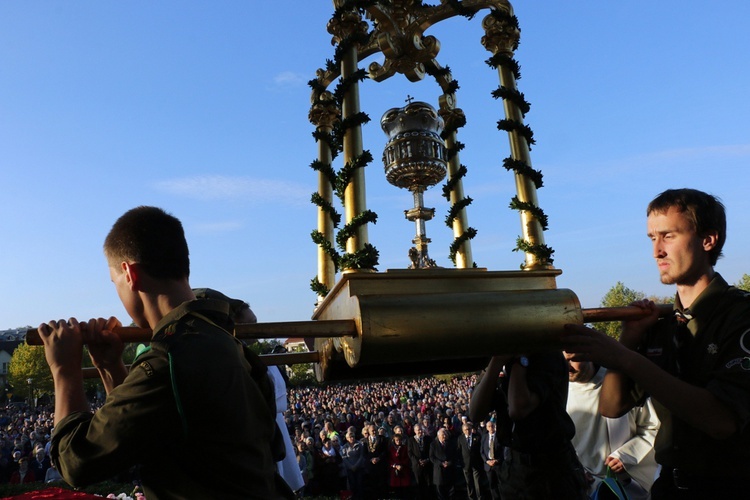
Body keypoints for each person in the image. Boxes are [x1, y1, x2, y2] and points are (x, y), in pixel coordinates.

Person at [37, 206, 293, 499]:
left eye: (115, 283)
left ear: (129, 274)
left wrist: (64, 371)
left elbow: (76, 462)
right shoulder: (219, 338)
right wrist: (110, 366)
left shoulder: (168, 358)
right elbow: (150, 426)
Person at [563, 188, 750, 498]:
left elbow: (721, 421)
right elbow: (612, 407)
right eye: (652, 238)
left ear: (708, 240)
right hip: (668, 487)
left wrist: (625, 358)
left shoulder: (740, 316)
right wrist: (630, 338)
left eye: (669, 236)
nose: (656, 252)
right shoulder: (661, 325)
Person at [470, 353, 588, 499]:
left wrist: (521, 360)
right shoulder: (501, 359)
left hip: (551, 468)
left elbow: (518, 408)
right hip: (514, 464)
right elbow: (475, 413)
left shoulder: (547, 356)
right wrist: (495, 364)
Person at [565, 355, 660, 499]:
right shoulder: (558, 390)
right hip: (586, 486)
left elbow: (653, 428)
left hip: (629, 482)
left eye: (572, 359)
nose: (567, 366)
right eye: (561, 360)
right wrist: (575, 471)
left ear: (588, 353)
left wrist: (627, 455)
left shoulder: (620, 382)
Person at [458, 421, 485, 500]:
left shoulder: (477, 437)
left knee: (478, 483)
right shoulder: (460, 438)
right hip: (465, 464)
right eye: (466, 429)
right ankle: (471, 497)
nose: (468, 431)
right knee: (469, 483)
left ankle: (480, 497)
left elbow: (481, 449)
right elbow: (459, 451)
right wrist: (461, 462)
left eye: (469, 429)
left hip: (476, 463)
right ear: (463, 431)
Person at [430, 427, 457, 500]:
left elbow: (455, 455)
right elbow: (432, 457)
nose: (444, 436)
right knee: (440, 491)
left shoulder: (451, 443)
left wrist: (450, 462)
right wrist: (441, 463)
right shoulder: (433, 444)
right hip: (439, 471)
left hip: (449, 470)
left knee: (451, 491)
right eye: (443, 435)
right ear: (438, 436)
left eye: (445, 434)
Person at [409, 423, 433, 500]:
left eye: (421, 430)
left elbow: (431, 451)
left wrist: (427, 460)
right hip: (417, 466)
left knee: (428, 483)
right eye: (418, 430)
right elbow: (410, 453)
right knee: (419, 484)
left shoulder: (428, 439)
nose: (420, 431)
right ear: (415, 431)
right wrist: (418, 461)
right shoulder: (411, 440)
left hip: (427, 465)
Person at [479, 420, 502, 500]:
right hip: (488, 465)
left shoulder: (499, 437)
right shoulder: (484, 437)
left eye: (492, 426)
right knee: (492, 484)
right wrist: (487, 461)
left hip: (498, 464)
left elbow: (503, 450)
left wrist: (497, 460)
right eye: (489, 426)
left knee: (500, 483)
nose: (491, 428)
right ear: (487, 428)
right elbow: (481, 451)